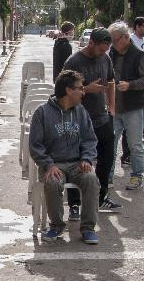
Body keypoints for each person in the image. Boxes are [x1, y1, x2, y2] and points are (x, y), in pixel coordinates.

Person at [29, 70, 100, 244]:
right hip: (54, 164)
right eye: (80, 89)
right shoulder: (42, 113)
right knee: (52, 182)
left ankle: (88, 228)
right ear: (68, 90)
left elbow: (90, 139)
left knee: (91, 179)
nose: (83, 92)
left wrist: (86, 158)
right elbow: (35, 145)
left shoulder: (81, 112)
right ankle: (56, 225)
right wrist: (47, 164)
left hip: (77, 163)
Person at [63, 27, 121, 214]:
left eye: (106, 49)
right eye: (100, 49)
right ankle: (74, 203)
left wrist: (112, 107)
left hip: (101, 117)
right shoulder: (74, 61)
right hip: (78, 119)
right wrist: (87, 89)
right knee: (77, 162)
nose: (103, 53)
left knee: (107, 158)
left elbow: (111, 82)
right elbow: (63, 91)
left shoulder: (106, 59)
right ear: (91, 43)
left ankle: (101, 197)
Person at [107, 21, 144, 191]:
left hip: (133, 107)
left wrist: (130, 85)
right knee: (110, 143)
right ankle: (108, 176)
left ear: (125, 38)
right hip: (114, 106)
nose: (113, 44)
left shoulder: (138, 55)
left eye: (115, 40)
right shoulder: (111, 53)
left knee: (135, 145)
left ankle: (136, 175)